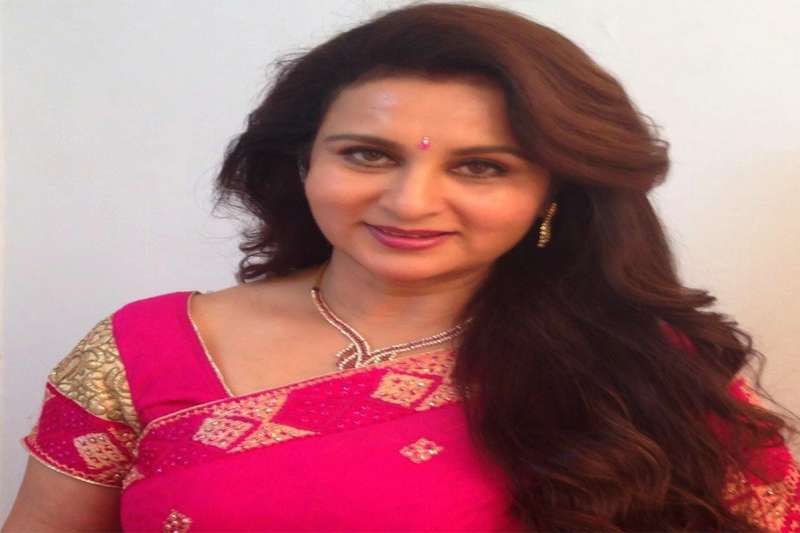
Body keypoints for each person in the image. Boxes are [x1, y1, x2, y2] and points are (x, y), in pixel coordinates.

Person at [4, 2, 799, 531]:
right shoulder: (142, 350)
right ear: (303, 163)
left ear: (554, 191)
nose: (410, 201)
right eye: (366, 154)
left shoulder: (650, 369)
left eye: (481, 166)